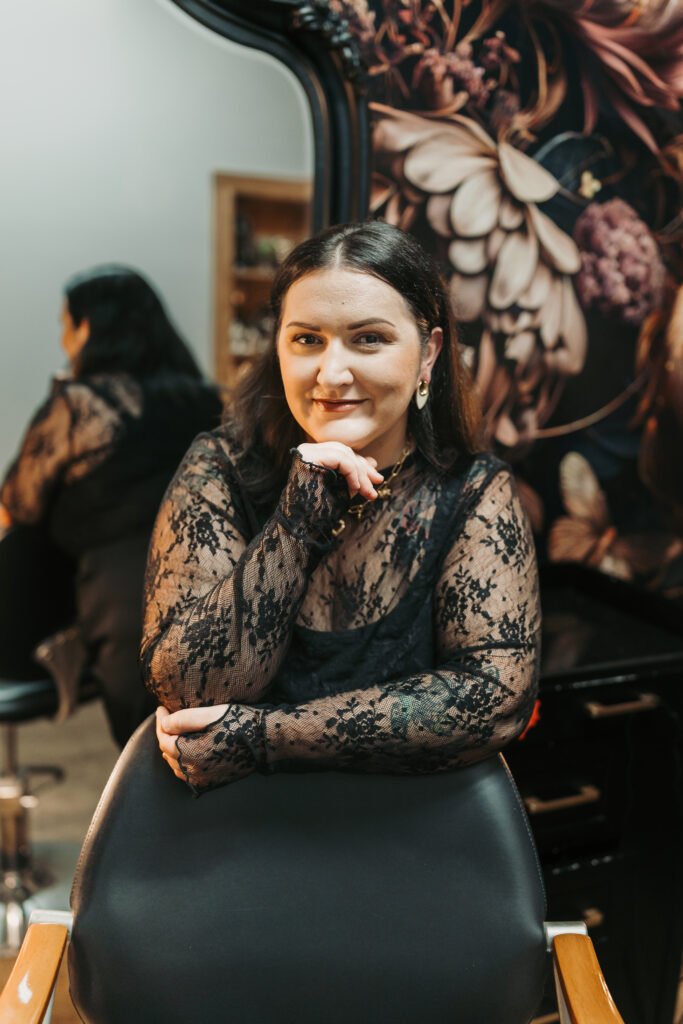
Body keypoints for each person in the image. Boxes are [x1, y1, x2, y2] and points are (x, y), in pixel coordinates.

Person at [146, 221, 540, 792]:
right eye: (307, 340)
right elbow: (191, 690)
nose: (331, 374)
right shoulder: (220, 467)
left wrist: (265, 737)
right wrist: (299, 516)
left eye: (369, 339)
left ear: (428, 353)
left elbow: (493, 697)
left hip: (411, 823)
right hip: (235, 826)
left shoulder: (474, 490)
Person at [0, 266, 222, 746]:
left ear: (87, 329)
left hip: (125, 600)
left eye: (66, 326)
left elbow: (17, 505)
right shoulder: (207, 399)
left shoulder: (81, 404)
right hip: (215, 588)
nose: (63, 342)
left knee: (149, 751)